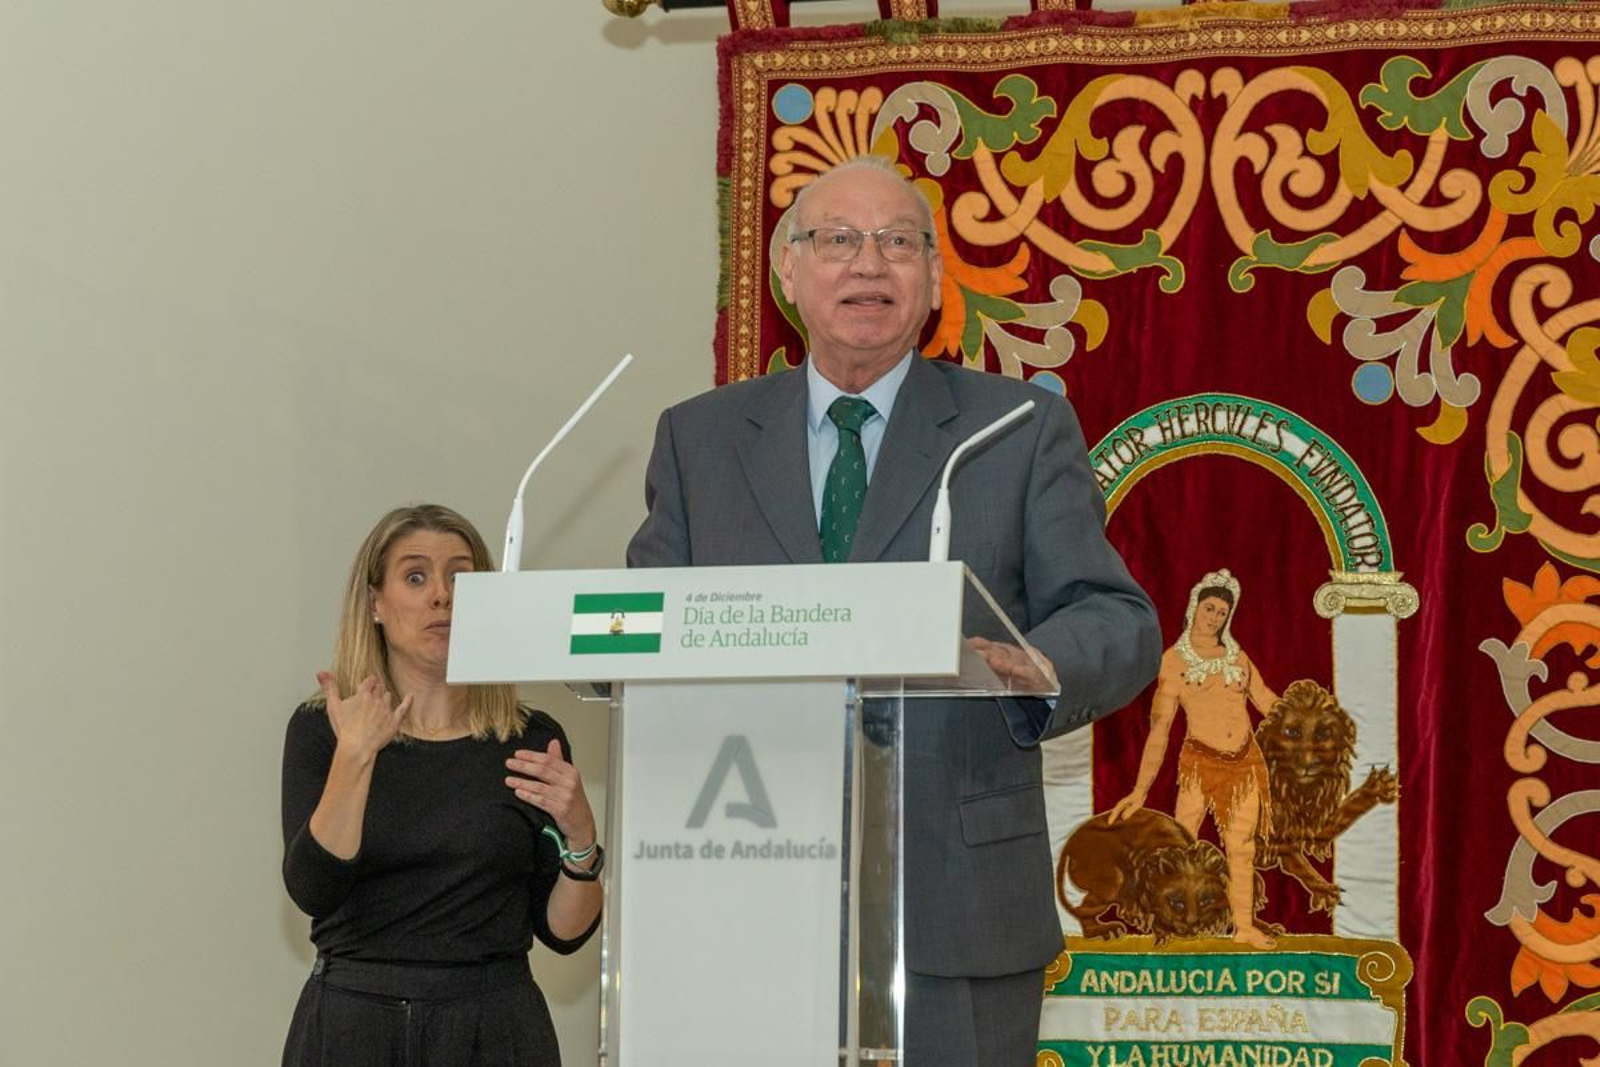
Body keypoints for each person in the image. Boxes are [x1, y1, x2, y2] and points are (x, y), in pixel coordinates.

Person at [627, 156, 1160, 1065]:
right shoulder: (701, 436)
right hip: (745, 895)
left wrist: (1037, 664)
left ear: (935, 281)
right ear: (787, 272)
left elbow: (1118, 616)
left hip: (959, 905)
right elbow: (638, 629)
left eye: (898, 243)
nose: (868, 265)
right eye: (837, 240)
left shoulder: (1015, 428)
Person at [280, 504, 603, 1066]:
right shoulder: (323, 728)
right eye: (416, 576)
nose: (442, 596)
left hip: (495, 1026)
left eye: (460, 577)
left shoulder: (531, 738)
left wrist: (582, 840)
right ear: (375, 603)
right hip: (355, 1023)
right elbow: (312, 888)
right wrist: (356, 753)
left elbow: (564, 933)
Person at [1107, 568, 1278, 949]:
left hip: (1245, 762)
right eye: (1210, 608)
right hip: (1200, 764)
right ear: (1194, 607)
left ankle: (1245, 928)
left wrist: (1300, 717)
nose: (1215, 616)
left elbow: (1266, 700)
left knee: (1242, 846)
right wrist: (1139, 791)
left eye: (1222, 612)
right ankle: (1169, 924)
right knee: (1182, 843)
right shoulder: (1173, 662)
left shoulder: (1237, 656)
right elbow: (1160, 730)